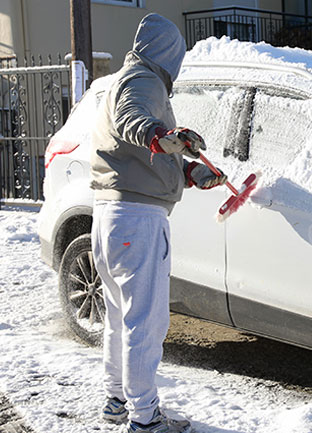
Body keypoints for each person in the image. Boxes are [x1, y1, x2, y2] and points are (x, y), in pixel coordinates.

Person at [90, 13, 226, 433]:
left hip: (112, 215)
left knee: (120, 318)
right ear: (169, 52)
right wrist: (160, 135)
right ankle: (145, 418)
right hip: (137, 220)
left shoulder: (129, 80)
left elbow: (144, 157)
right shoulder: (142, 81)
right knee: (145, 324)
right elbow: (133, 122)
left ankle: (116, 401)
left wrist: (190, 172)